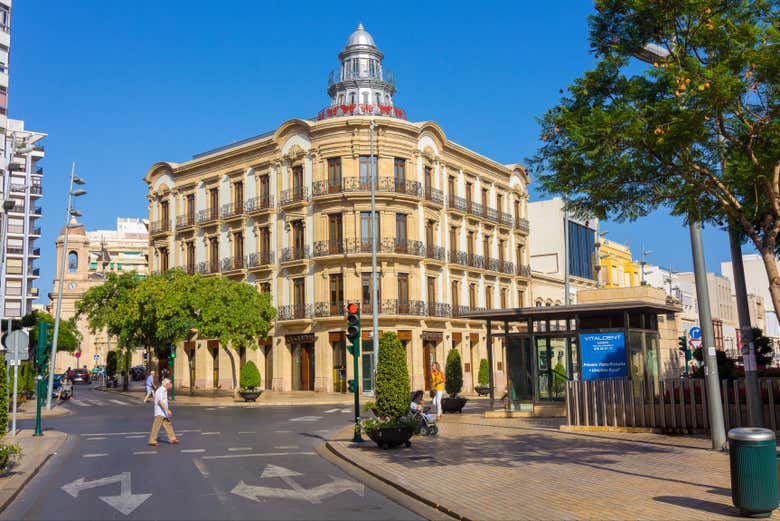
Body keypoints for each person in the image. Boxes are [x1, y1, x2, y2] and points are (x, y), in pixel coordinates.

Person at [148, 378, 178, 446]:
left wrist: (166, 411)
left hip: (163, 412)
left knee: (168, 425)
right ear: (166, 384)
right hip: (160, 412)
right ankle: (152, 440)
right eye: (170, 384)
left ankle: (172, 438)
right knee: (156, 426)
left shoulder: (164, 390)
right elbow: (160, 402)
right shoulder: (160, 391)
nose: (171, 385)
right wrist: (167, 410)